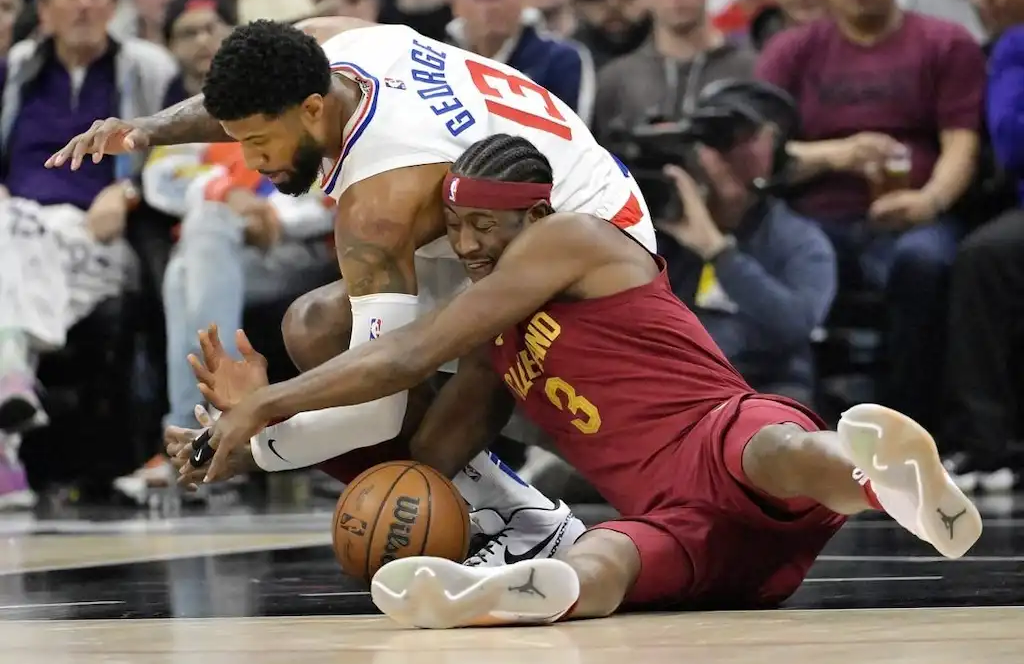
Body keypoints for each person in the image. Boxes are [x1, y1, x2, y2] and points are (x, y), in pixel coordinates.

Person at [172, 134, 980, 627]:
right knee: (606, 559)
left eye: (486, 225)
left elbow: (409, 352)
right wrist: (247, 442)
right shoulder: (498, 344)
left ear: (536, 214)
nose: (470, 243)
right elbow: (423, 453)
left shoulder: (580, 239)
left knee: (773, 451)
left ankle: (887, 479)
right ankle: (518, 593)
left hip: (713, 432)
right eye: (455, 228)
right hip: (679, 522)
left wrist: (269, 402)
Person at [46, 17, 655, 564]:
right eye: (241, 141)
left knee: (429, 448)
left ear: (312, 110)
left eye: (260, 143)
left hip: (591, 251)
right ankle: (528, 520)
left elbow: (375, 406)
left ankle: (526, 513)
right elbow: (237, 102)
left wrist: (251, 438)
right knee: (315, 325)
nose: (253, 162)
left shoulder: (379, 203)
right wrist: (146, 131)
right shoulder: (335, 41)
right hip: (504, 222)